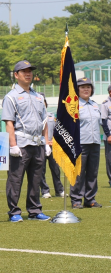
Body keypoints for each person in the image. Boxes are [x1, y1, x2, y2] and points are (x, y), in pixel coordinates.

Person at [2, 60, 52, 222]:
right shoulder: (11, 97)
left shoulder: (38, 96)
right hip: (21, 144)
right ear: (16, 75)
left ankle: (34, 210)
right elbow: (9, 122)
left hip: (37, 144)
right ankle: (14, 212)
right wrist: (13, 145)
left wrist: (46, 142)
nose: (28, 74)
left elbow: (44, 121)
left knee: (36, 178)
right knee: (15, 180)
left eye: (30, 71)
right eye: (24, 71)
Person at [71, 77, 102, 209]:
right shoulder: (74, 104)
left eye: (88, 87)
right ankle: (76, 199)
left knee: (92, 172)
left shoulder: (95, 105)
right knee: (78, 173)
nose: (86, 89)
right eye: (83, 87)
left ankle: (90, 198)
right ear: (77, 90)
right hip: (80, 143)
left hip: (95, 142)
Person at [38, 92, 64, 199]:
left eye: (43, 101)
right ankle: (45, 191)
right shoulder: (35, 117)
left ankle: (59, 190)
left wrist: (54, 141)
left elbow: (56, 130)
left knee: (56, 169)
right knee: (41, 170)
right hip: (40, 146)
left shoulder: (51, 116)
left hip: (52, 146)